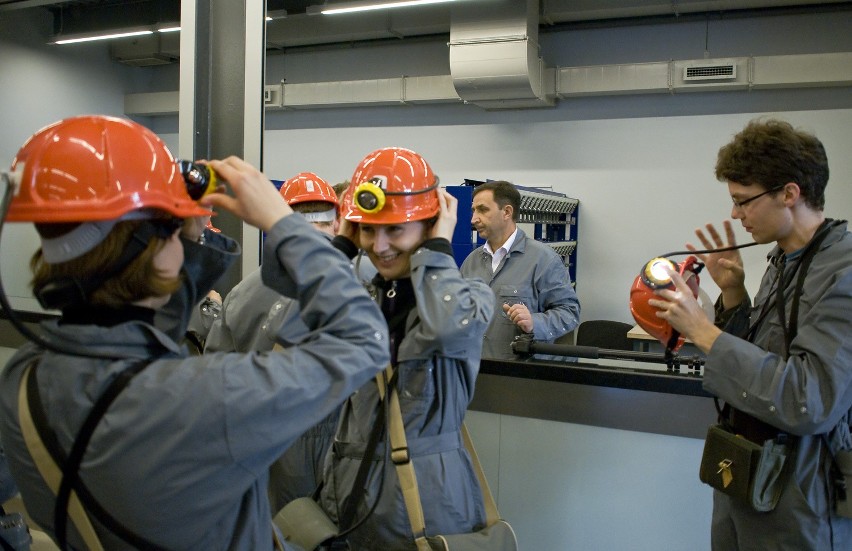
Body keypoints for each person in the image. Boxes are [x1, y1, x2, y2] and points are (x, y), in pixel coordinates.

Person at [0, 115, 389, 550]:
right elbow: (364, 339)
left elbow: (153, 336)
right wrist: (284, 225)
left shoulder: (22, 378)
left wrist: (176, 225)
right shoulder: (205, 397)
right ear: (157, 253)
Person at [650, 118, 852, 550]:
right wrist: (734, 294)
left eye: (743, 201)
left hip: (801, 495)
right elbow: (767, 354)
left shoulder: (842, 274)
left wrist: (705, 333)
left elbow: (808, 399)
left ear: (790, 193)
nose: (735, 214)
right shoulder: (786, 259)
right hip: (747, 475)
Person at [317, 147, 495, 550]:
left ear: (430, 226)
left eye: (395, 229)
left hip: (426, 500)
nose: (379, 246)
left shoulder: (471, 296)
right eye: (367, 230)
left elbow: (446, 328)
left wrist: (437, 251)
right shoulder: (360, 299)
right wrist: (340, 250)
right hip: (351, 493)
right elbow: (294, 326)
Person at [205, 171, 345, 513]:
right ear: (337, 221)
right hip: (343, 450)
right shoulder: (363, 283)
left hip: (267, 450)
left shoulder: (242, 293)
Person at [460, 180, 580, 359]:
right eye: (473, 210)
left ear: (507, 212)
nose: (473, 219)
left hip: (521, 377)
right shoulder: (471, 262)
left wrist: (535, 322)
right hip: (476, 371)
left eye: (483, 210)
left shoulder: (543, 259)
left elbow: (570, 312)